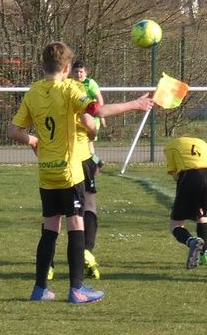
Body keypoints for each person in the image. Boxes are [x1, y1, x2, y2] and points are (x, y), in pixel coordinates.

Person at [9, 42, 152, 304]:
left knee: (50, 227)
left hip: (46, 172)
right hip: (69, 171)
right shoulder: (71, 89)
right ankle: (77, 289)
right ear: (66, 68)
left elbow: (14, 131)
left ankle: (40, 289)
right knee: (76, 223)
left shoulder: (33, 92)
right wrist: (136, 104)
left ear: (43, 66)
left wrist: (34, 141)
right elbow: (97, 111)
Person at [165, 134, 207, 270]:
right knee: (201, 213)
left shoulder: (171, 146)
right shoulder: (204, 143)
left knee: (175, 225)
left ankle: (192, 241)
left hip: (190, 177)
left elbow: (175, 175)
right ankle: (206, 255)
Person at [71, 58, 103, 280]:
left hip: (56, 158)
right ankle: (86, 251)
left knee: (54, 215)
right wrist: (134, 104)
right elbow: (92, 119)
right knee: (88, 204)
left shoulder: (45, 90)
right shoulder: (76, 93)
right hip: (82, 156)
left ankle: (47, 268)